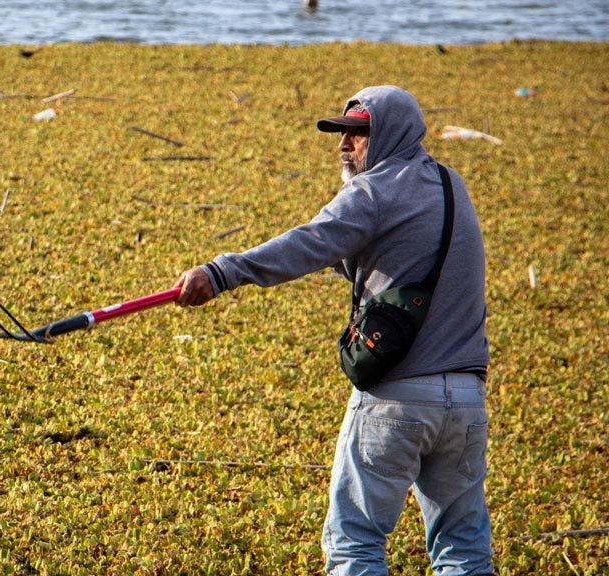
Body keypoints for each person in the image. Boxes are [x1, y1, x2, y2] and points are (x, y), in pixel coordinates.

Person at [173, 85, 495, 575]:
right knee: (464, 551)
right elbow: (367, 256)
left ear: (389, 135)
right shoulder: (452, 185)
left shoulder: (372, 192)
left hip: (397, 402)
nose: (344, 145)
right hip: (467, 405)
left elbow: (308, 243)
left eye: (358, 133)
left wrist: (221, 272)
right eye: (341, 133)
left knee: (355, 545)